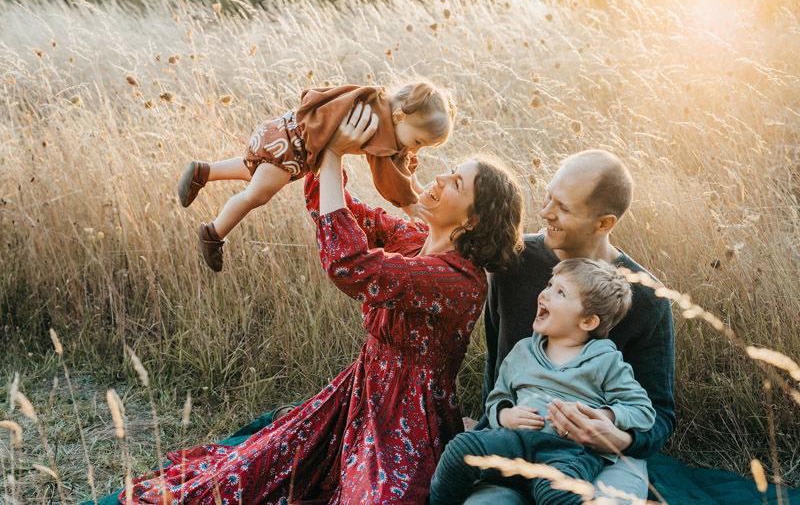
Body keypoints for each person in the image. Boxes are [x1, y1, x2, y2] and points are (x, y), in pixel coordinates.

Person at [119, 102, 524, 504]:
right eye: (451, 170)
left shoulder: (459, 280)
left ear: (472, 221)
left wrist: (330, 156)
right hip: (360, 390)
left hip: (409, 418)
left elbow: (352, 266)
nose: (440, 176)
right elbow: (332, 207)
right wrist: (331, 143)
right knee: (250, 473)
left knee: (377, 498)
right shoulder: (411, 239)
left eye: (456, 182)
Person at [462, 149, 675, 504]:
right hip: (516, 447)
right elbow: (496, 371)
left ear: (604, 223)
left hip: (601, 459)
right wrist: (497, 417)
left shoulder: (648, 300)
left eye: (563, 207)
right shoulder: (512, 263)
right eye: (547, 197)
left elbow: (660, 414)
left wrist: (617, 438)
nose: (545, 213)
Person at [429, 258, 656, 505]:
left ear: (588, 321)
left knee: (557, 494)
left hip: (569, 452)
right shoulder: (522, 352)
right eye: (549, 284)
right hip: (514, 442)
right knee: (460, 449)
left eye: (560, 292)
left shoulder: (605, 360)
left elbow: (642, 410)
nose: (544, 294)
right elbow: (497, 398)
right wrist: (506, 416)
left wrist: (605, 415)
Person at [178, 80, 455, 271]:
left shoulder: (380, 105)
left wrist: (415, 185)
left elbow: (400, 160)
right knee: (257, 195)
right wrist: (407, 202)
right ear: (399, 117)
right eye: (418, 141)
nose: (413, 148)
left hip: (281, 132)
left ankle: (205, 171)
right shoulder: (378, 126)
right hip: (292, 149)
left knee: (254, 172)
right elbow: (386, 175)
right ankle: (213, 233)